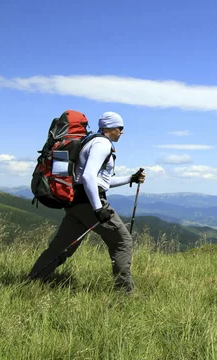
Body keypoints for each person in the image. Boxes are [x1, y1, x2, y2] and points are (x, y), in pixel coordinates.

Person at [28, 111, 146, 294]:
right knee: (123, 241)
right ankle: (125, 294)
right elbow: (89, 176)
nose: (122, 132)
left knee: (61, 247)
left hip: (76, 203)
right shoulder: (102, 144)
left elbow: (100, 181)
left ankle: (32, 281)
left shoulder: (90, 141)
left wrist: (130, 178)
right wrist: (98, 208)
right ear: (110, 128)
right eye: (120, 128)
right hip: (90, 203)